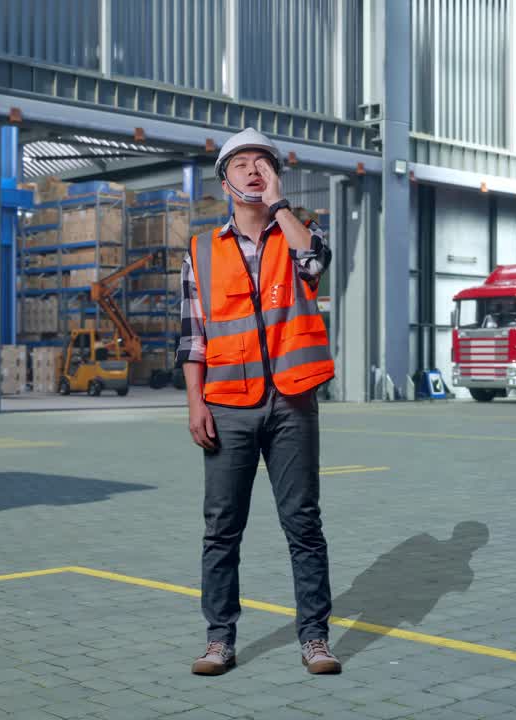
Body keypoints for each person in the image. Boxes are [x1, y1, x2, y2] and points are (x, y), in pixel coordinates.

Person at [178, 128, 340, 677]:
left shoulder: (299, 232)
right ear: (224, 179)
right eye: (241, 164)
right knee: (221, 528)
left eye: (263, 163)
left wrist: (279, 204)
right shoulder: (201, 249)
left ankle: (315, 638)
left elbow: (316, 264)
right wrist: (194, 403)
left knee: (303, 523)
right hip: (227, 404)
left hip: (292, 403)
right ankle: (219, 639)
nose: (252, 170)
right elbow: (193, 336)